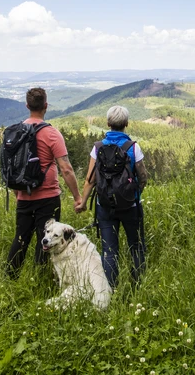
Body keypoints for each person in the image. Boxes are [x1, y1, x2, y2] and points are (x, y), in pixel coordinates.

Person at [6, 87, 83, 278]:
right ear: (46, 106)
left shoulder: (17, 133)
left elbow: (13, 167)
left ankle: (9, 277)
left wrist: (18, 193)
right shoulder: (52, 134)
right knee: (46, 238)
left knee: (21, 238)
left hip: (24, 194)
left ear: (27, 106)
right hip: (48, 196)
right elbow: (66, 168)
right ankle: (39, 280)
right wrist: (77, 197)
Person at [75, 105, 149, 290]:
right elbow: (143, 176)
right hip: (131, 206)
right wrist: (134, 194)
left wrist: (83, 202)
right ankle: (137, 288)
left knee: (109, 251)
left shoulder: (98, 147)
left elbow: (90, 180)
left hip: (105, 206)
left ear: (108, 124)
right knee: (137, 246)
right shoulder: (133, 147)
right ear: (126, 124)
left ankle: (110, 290)